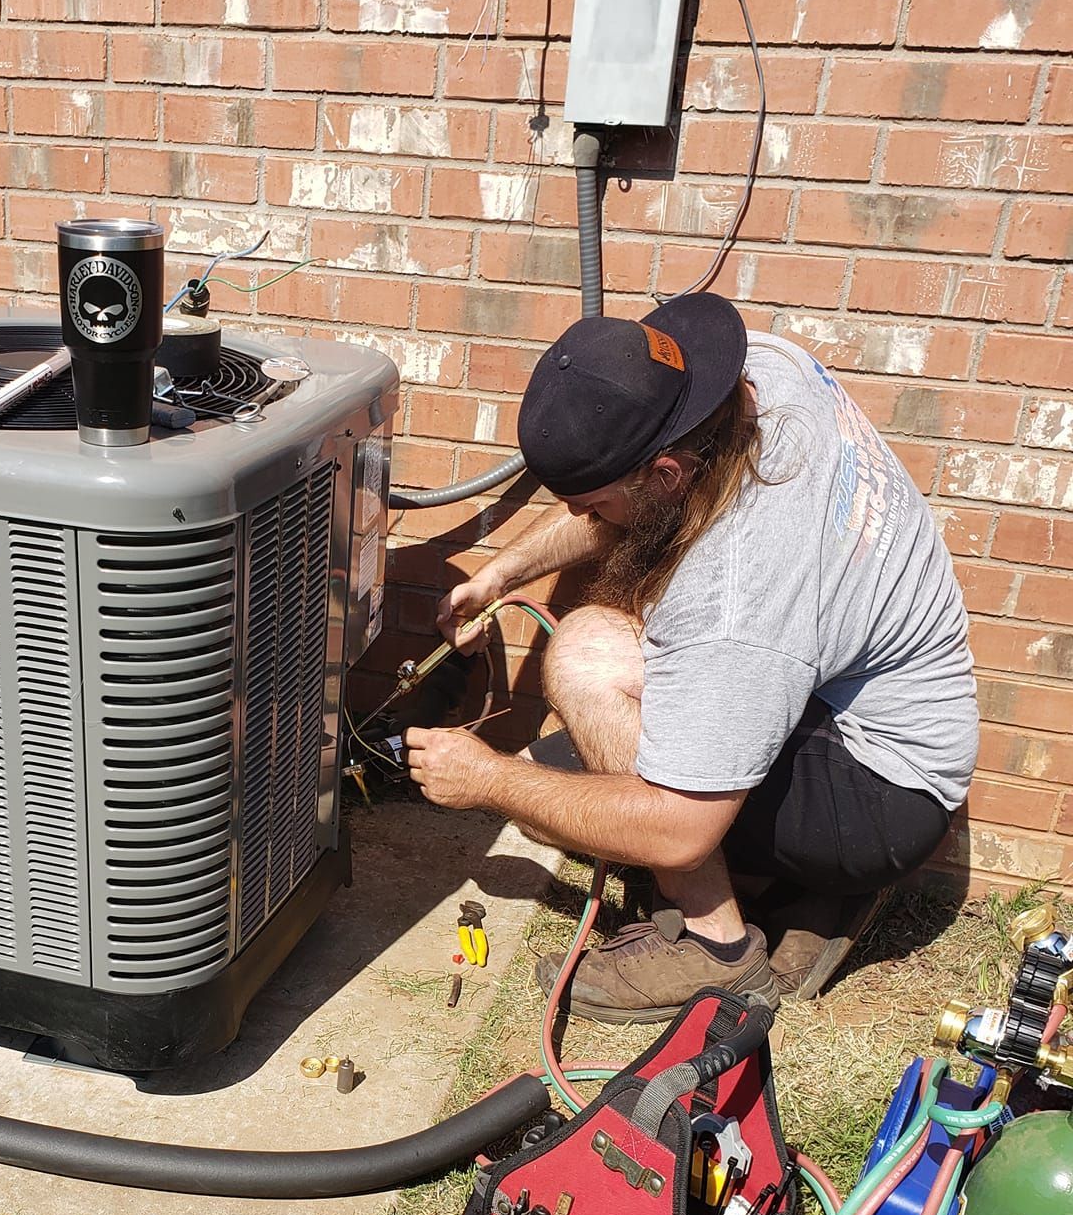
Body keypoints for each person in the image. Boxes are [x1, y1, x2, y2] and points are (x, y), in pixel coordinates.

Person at [404, 292, 978, 1024]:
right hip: (865, 709)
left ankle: (717, 948)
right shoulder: (759, 375)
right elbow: (630, 501)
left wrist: (487, 777)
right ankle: (802, 892)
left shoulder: (738, 593)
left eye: (597, 508)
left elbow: (677, 826)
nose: (587, 522)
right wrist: (499, 575)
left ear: (668, 473)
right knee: (567, 775)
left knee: (582, 674)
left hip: (884, 790)